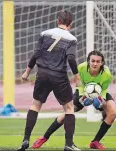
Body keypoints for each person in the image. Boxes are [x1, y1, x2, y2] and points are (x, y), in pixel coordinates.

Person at [17, 10, 81, 151]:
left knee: (35, 105)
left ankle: (25, 140)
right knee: (69, 109)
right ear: (71, 23)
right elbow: (70, 58)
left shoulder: (45, 34)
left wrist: (27, 71)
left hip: (42, 74)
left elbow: (36, 54)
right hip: (59, 76)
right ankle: (68, 145)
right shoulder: (71, 39)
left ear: (57, 21)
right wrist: (77, 77)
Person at [32, 50, 116, 150]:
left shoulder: (107, 73)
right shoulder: (81, 68)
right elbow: (78, 84)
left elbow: (104, 90)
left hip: (99, 93)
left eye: (98, 61)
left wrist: (101, 101)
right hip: (82, 91)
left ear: (102, 63)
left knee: (113, 112)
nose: (95, 63)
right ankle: (44, 137)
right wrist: (82, 98)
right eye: (93, 61)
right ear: (88, 61)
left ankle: (95, 141)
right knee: (67, 113)